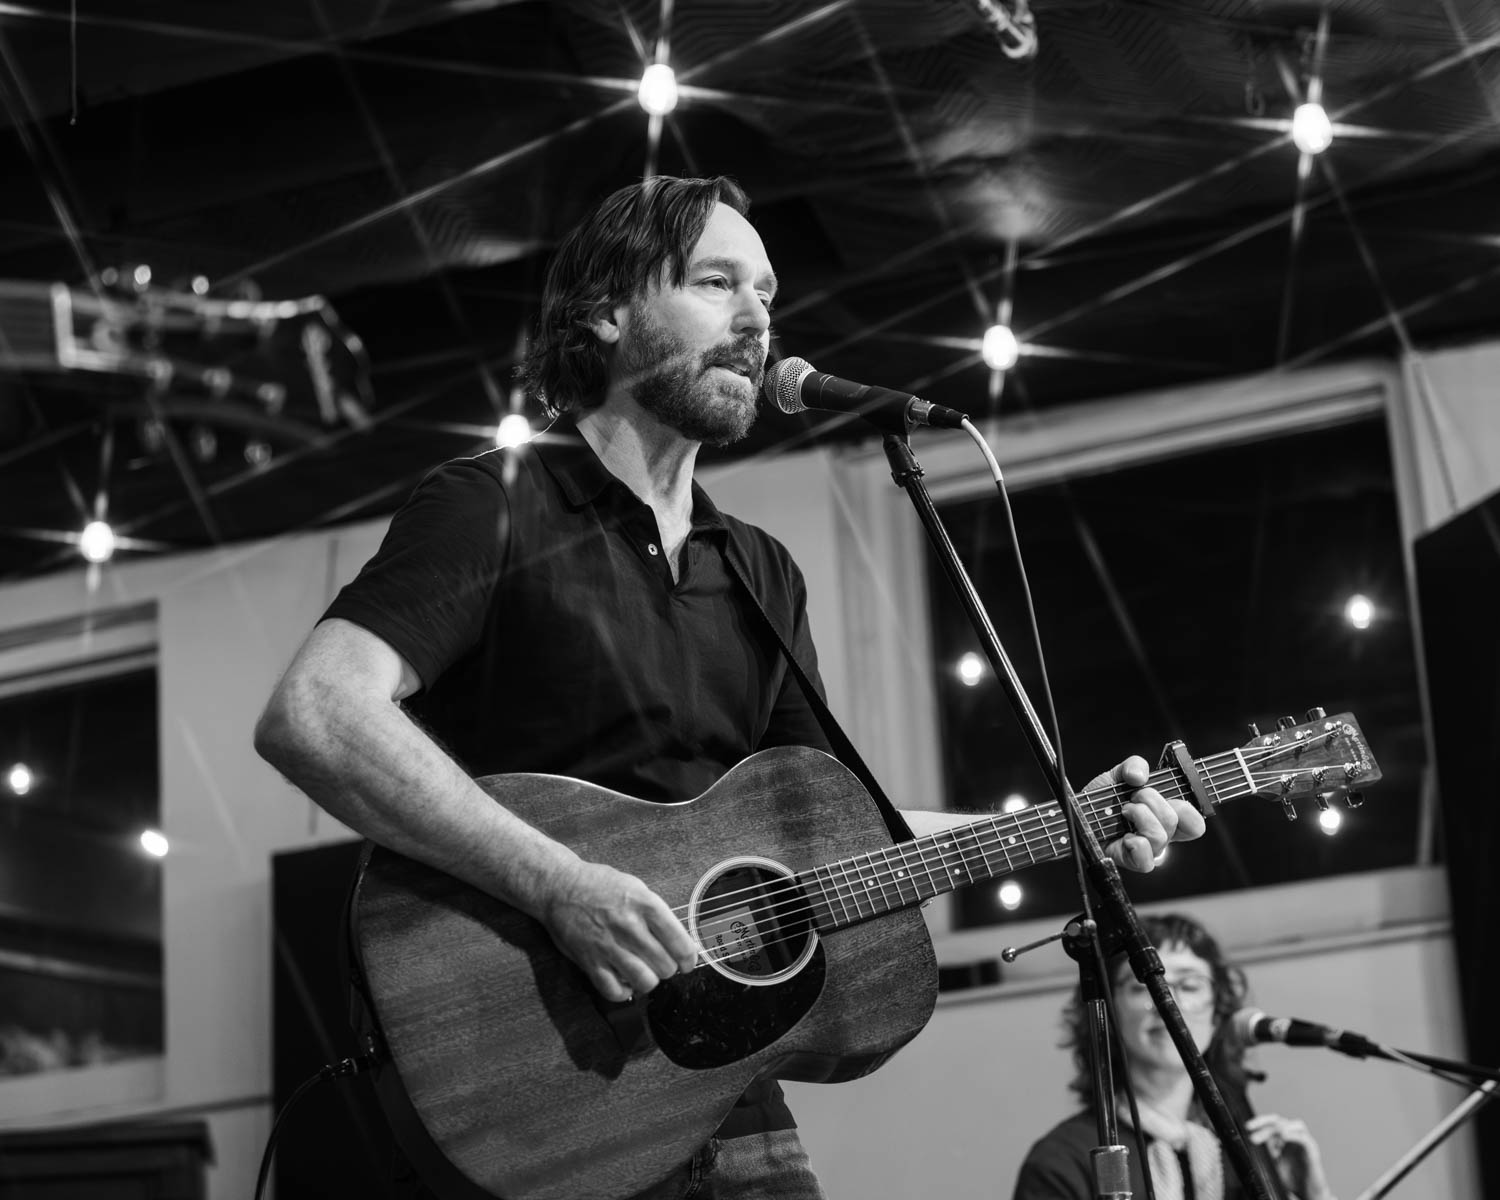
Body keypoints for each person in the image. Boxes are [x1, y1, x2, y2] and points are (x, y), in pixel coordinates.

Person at [254, 174, 1206, 1200]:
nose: (758, 321)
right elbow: (316, 713)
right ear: (607, 310)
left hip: (727, 1101)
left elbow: (849, 841)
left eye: (768, 293)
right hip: (543, 1102)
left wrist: (1075, 823)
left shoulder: (757, 570)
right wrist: (559, 886)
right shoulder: (493, 506)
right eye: (718, 282)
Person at [1013, 912, 1335, 1200]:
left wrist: (1312, 1195)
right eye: (1143, 986)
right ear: (1109, 1009)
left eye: (1191, 986)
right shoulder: (1062, 1160)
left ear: (1217, 1012)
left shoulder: (1246, 1150)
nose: (1169, 1002)